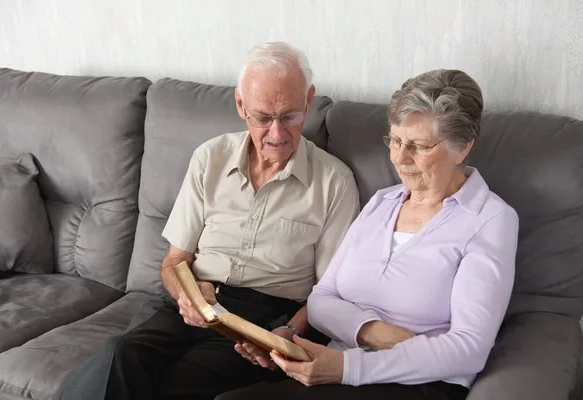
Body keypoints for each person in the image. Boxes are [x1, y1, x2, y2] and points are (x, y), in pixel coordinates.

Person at [57, 42, 359, 400]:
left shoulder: (334, 182)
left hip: (262, 321)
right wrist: (184, 294)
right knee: (120, 358)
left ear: (309, 102)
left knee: (177, 386)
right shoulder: (210, 157)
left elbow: (329, 293)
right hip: (195, 302)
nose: (277, 135)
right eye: (263, 117)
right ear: (240, 106)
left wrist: (289, 333)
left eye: (290, 116)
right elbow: (174, 261)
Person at [217, 69, 519, 400]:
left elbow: (469, 349)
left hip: (416, 384)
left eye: (417, 146)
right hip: (339, 364)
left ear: (461, 148)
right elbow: (321, 300)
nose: (400, 159)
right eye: (396, 140)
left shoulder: (490, 219)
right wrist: (375, 335)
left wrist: (349, 368)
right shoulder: (382, 202)